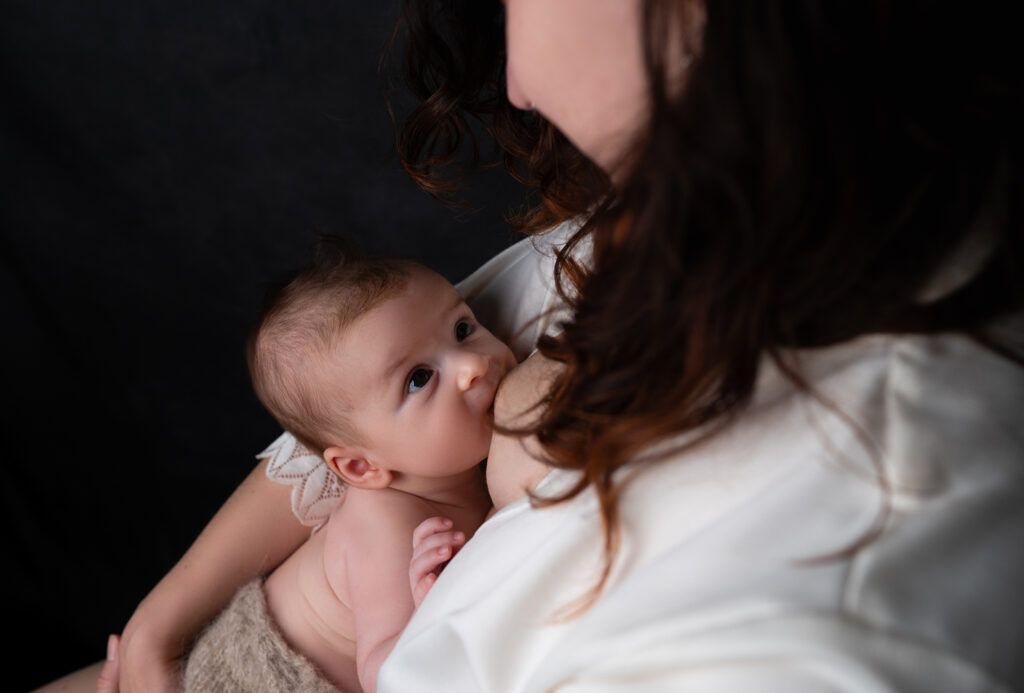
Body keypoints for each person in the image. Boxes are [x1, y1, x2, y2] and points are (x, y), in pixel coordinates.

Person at [40, 0, 1024, 691]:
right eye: (426, 373)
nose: (509, 75)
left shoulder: (808, 614)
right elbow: (333, 418)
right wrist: (164, 623)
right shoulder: (656, 220)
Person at [160, 245, 513, 693]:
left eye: (462, 329)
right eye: (419, 378)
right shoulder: (390, 526)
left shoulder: (458, 465)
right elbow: (385, 673)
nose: (473, 365)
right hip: (257, 676)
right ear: (361, 466)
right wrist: (431, 614)